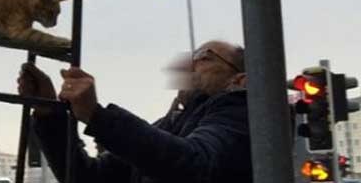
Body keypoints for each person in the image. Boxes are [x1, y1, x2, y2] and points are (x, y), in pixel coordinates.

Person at [17, 40, 252, 183]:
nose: (188, 65)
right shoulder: (173, 122)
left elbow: (197, 163)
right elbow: (87, 177)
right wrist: (50, 114)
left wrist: (97, 116)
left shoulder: (241, 109)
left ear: (239, 80)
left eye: (205, 58)